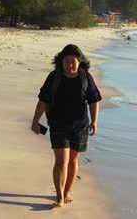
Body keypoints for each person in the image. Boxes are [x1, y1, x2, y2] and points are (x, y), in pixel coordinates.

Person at [30, 44, 102, 208]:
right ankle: (60, 196)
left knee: (73, 161)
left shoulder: (86, 77)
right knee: (62, 161)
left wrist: (94, 121)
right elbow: (43, 101)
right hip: (58, 124)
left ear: (79, 61)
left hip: (80, 125)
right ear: (61, 62)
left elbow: (94, 101)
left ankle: (68, 190)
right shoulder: (54, 77)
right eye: (66, 62)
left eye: (73, 61)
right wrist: (35, 121)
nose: (70, 65)